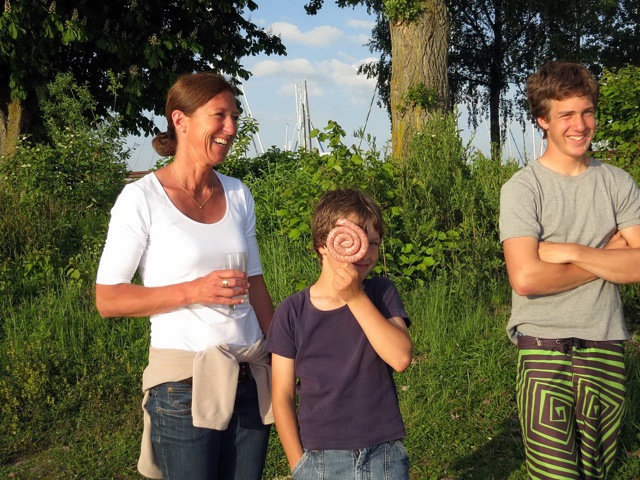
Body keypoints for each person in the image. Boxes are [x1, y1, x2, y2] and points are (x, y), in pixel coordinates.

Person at [95, 71, 275, 480]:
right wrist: (194, 290)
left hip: (250, 375)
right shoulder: (141, 199)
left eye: (234, 116)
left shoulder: (238, 193)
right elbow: (108, 299)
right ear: (180, 120)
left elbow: (256, 285)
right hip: (182, 385)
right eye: (219, 115)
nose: (231, 128)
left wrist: (283, 352)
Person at [499, 61, 640, 479]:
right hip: (542, 347)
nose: (580, 125)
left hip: (605, 341)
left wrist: (570, 251)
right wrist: (607, 257)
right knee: (554, 473)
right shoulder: (523, 188)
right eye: (566, 115)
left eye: (587, 112)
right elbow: (526, 279)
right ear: (542, 120)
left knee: (596, 470)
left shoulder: (618, 183)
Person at [265, 188, 413, 480]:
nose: (364, 253)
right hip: (320, 460)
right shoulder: (291, 311)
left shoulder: (381, 293)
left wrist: (355, 297)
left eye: (373, 243)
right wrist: (298, 464)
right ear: (323, 244)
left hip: (383, 455)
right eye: (351, 240)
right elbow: (282, 395)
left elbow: (400, 358)